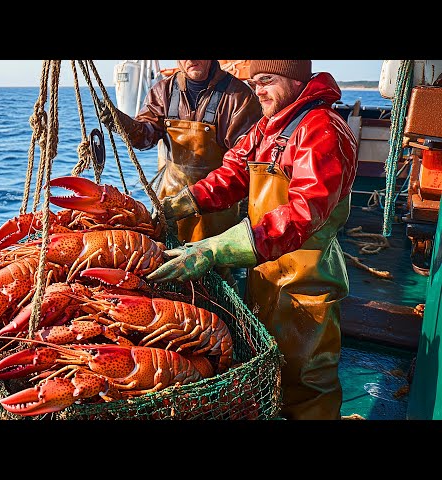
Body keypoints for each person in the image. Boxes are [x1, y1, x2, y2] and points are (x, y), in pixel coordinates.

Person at [146, 60, 359, 420]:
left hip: (307, 283)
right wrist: (179, 204)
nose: (258, 90)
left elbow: (303, 213)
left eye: (267, 80)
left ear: (295, 79)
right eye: (254, 81)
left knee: (306, 379)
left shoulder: (321, 129)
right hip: (266, 271)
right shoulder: (267, 128)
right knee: (271, 370)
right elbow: (231, 174)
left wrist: (216, 247)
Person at [100, 60, 262, 286]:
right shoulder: (163, 91)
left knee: (217, 278)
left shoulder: (239, 97)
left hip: (218, 212)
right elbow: (145, 136)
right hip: (170, 205)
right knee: (167, 270)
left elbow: (243, 164)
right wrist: (124, 124)